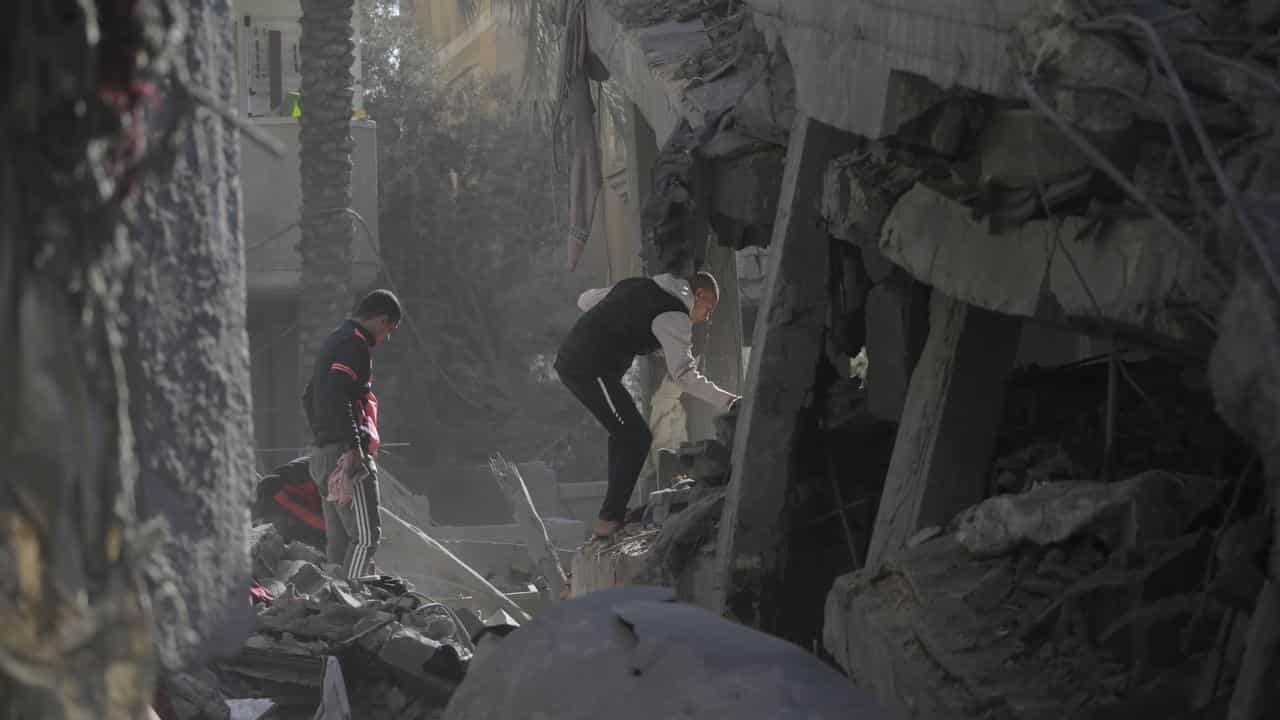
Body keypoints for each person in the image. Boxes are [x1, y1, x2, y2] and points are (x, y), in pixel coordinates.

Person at [555, 271, 740, 539]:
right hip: (590, 368)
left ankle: (610, 514)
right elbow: (685, 376)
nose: (706, 317)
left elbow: (585, 300)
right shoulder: (675, 316)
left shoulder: (640, 285)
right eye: (708, 308)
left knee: (623, 434)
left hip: (579, 361)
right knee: (637, 438)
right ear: (697, 295)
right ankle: (608, 519)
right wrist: (729, 400)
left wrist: (632, 331)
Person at [303, 289, 401, 579]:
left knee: (340, 542)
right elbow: (338, 393)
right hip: (344, 456)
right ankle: (351, 600)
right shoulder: (354, 344)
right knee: (366, 537)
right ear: (382, 320)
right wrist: (353, 445)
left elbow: (310, 395)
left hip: (323, 453)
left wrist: (323, 437)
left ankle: (333, 606)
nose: (386, 337)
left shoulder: (334, 339)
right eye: (390, 330)